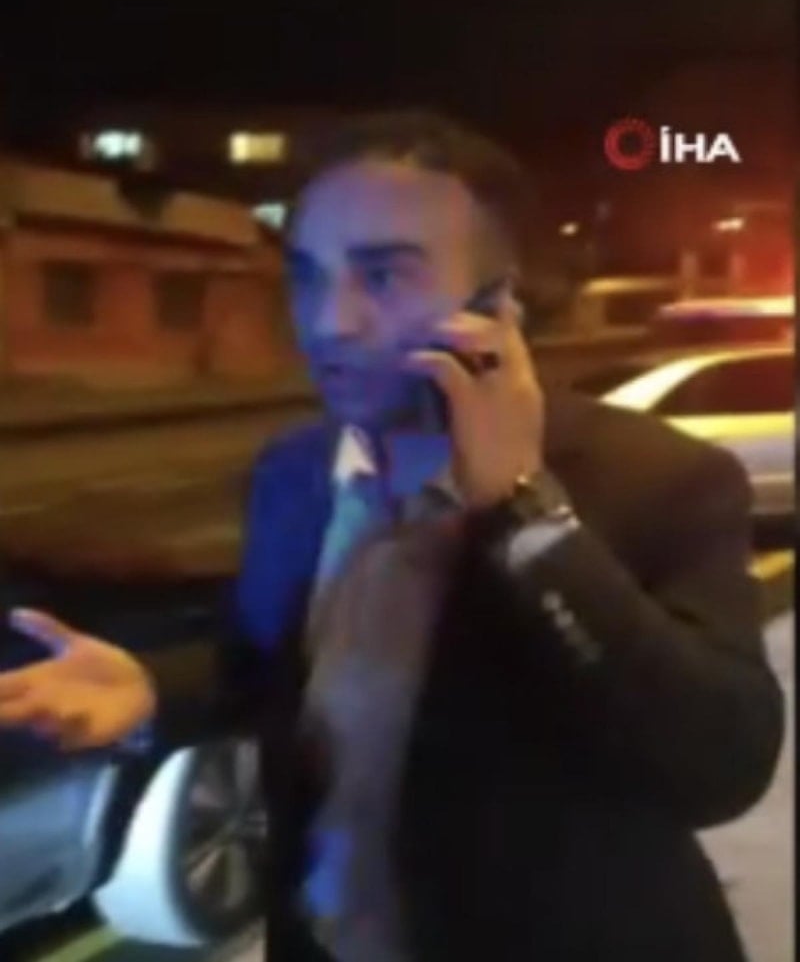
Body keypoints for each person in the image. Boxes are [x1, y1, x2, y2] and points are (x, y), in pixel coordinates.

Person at [0, 111, 784, 962]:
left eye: (382, 276)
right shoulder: (295, 472)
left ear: (497, 303)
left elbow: (721, 766)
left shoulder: (656, 478)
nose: (327, 321)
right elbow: (275, 665)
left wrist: (526, 511)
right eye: (307, 276)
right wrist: (156, 688)